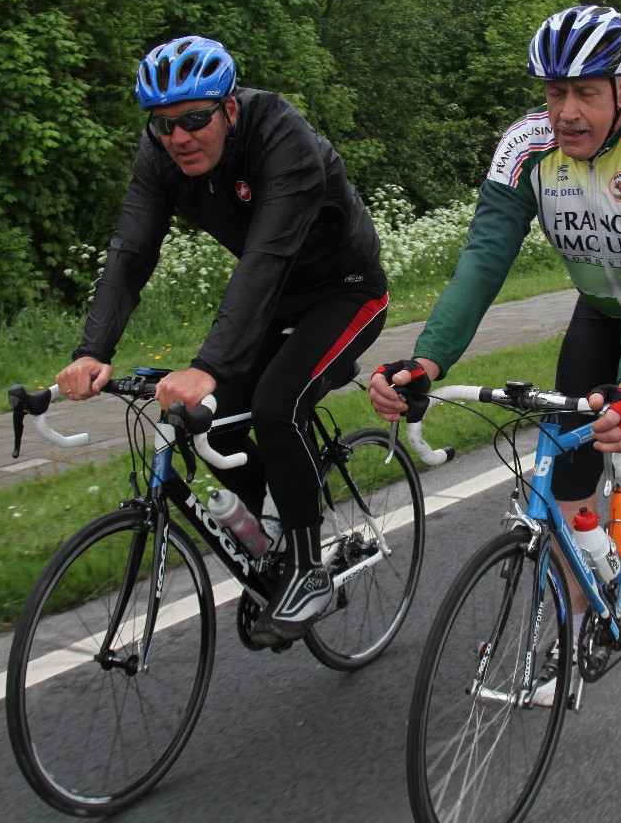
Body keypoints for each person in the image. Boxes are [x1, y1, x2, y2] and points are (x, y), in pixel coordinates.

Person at [370, 5, 621, 628]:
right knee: (566, 453)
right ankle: (577, 622)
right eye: (554, 92)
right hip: (602, 302)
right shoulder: (526, 146)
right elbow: (483, 260)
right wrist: (427, 360)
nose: (566, 111)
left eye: (585, 93)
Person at [55, 36, 389, 645]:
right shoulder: (159, 154)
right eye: (163, 124)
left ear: (229, 109)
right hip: (275, 298)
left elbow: (264, 258)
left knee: (276, 403)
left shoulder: (282, 137)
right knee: (214, 422)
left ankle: (309, 569)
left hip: (345, 290)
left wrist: (207, 365)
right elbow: (131, 251)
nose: (179, 137)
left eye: (193, 119)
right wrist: (93, 350)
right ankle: (275, 535)